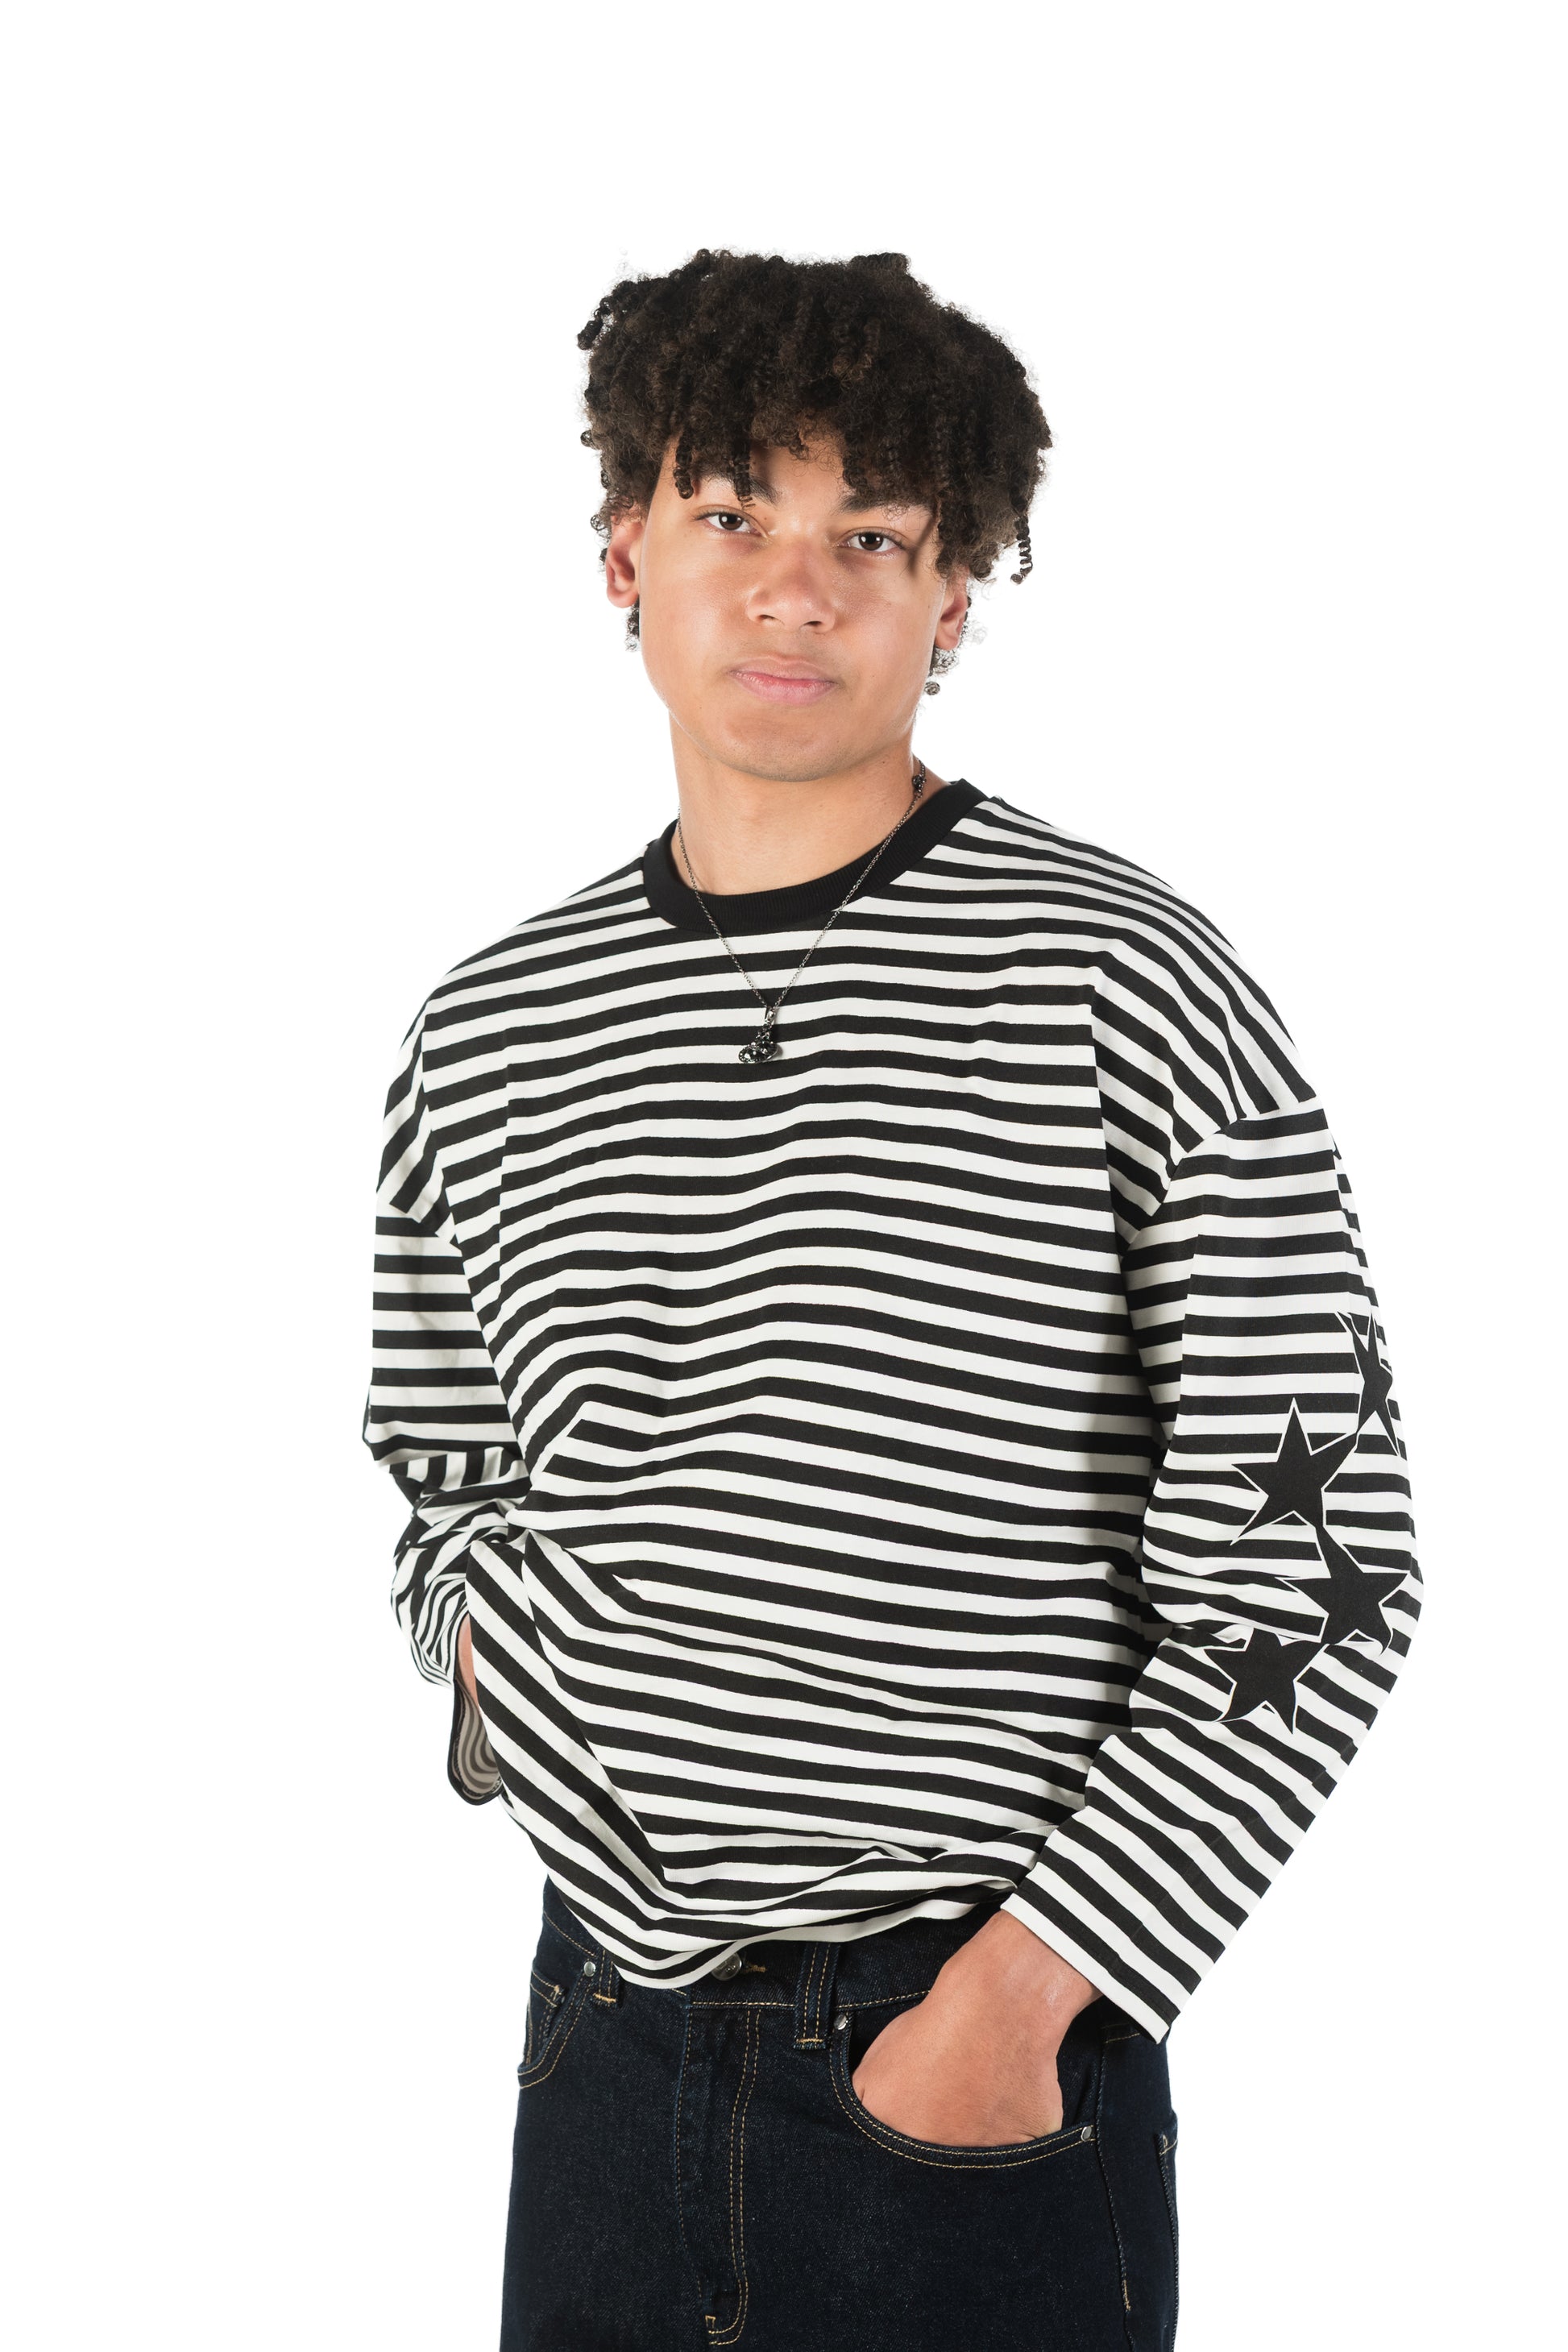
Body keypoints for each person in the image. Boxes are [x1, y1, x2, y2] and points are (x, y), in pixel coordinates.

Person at [363, 249, 1419, 2352]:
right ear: (624, 556)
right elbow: (444, 1465)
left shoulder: (1124, 984)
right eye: (732, 514)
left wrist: (1014, 2001)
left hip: (965, 2058)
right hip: (599, 2042)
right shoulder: (489, 1030)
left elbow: (1321, 1565)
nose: (794, 591)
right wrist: (495, 1666)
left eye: (870, 537)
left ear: (952, 594)